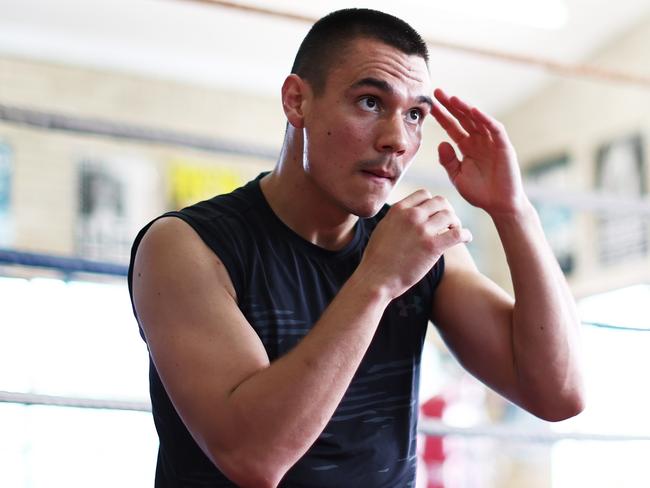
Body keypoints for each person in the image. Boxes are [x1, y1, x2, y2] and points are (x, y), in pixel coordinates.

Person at [128, 8, 584, 488]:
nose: (397, 139)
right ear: (297, 101)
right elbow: (253, 457)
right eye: (369, 102)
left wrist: (514, 212)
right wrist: (377, 281)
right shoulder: (186, 247)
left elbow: (560, 395)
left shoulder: (422, 250)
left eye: (415, 115)